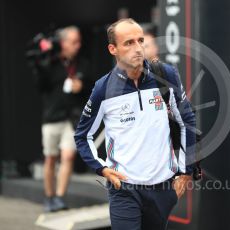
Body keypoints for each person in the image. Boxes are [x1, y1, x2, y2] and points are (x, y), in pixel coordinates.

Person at [74, 18, 196, 229]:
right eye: (129, 43)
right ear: (113, 49)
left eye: (140, 41)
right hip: (124, 189)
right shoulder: (103, 88)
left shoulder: (165, 75)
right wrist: (101, 168)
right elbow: (83, 136)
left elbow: (186, 121)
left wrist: (186, 172)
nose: (138, 48)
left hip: (163, 188)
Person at [31, 26, 91, 212]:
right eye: (73, 41)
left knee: (68, 156)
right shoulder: (50, 63)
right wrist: (42, 62)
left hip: (72, 118)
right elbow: (40, 85)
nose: (77, 45)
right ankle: (49, 196)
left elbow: (92, 86)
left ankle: (59, 197)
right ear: (63, 43)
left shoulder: (82, 63)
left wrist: (81, 86)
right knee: (50, 158)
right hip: (52, 117)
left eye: (79, 41)